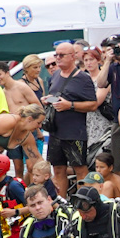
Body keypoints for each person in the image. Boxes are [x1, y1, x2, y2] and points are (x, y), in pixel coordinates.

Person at [45, 42, 100, 190]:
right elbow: (55, 96)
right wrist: (48, 100)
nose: (58, 58)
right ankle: (63, 205)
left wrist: (70, 105)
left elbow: (93, 105)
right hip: (56, 131)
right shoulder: (55, 75)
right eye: (56, 55)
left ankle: (85, 202)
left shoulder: (83, 78)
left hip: (75, 132)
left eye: (61, 55)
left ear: (72, 57)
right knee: (57, 169)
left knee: (80, 169)